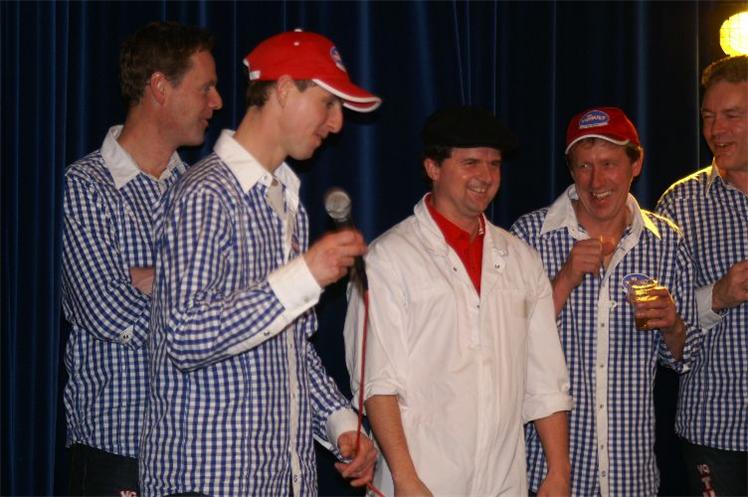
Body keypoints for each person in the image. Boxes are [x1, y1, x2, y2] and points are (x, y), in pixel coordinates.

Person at [138, 29, 381, 497]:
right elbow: (183, 336)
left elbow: (289, 349)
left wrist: (340, 423)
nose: (337, 124)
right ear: (284, 89)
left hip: (276, 481)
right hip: (205, 484)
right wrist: (302, 276)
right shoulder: (206, 193)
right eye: (328, 103)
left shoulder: (286, 203)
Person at [344, 106, 573, 497]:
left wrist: (558, 470)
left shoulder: (522, 259)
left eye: (494, 164)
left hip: (502, 482)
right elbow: (377, 383)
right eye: (470, 163)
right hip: (420, 481)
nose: (485, 176)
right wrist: (405, 478)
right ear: (433, 167)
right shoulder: (386, 259)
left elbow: (546, 378)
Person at [61, 21, 221, 496]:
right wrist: (191, 290)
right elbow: (105, 309)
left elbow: (234, 297)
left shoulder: (204, 192)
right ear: (159, 87)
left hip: (196, 457)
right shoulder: (85, 186)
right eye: (205, 87)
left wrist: (149, 278)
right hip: (117, 455)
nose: (217, 102)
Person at [510, 107, 699, 497]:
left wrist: (672, 325)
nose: (596, 181)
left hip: (631, 476)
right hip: (549, 476)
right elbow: (505, 345)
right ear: (570, 169)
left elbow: (684, 356)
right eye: (584, 166)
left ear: (636, 163)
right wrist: (563, 280)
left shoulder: (666, 241)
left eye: (609, 164)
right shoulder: (529, 235)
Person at [656, 55, 747, 497]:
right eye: (709, 117)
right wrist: (719, 295)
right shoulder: (679, 204)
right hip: (715, 427)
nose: (716, 130)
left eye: (732, 115)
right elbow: (661, 328)